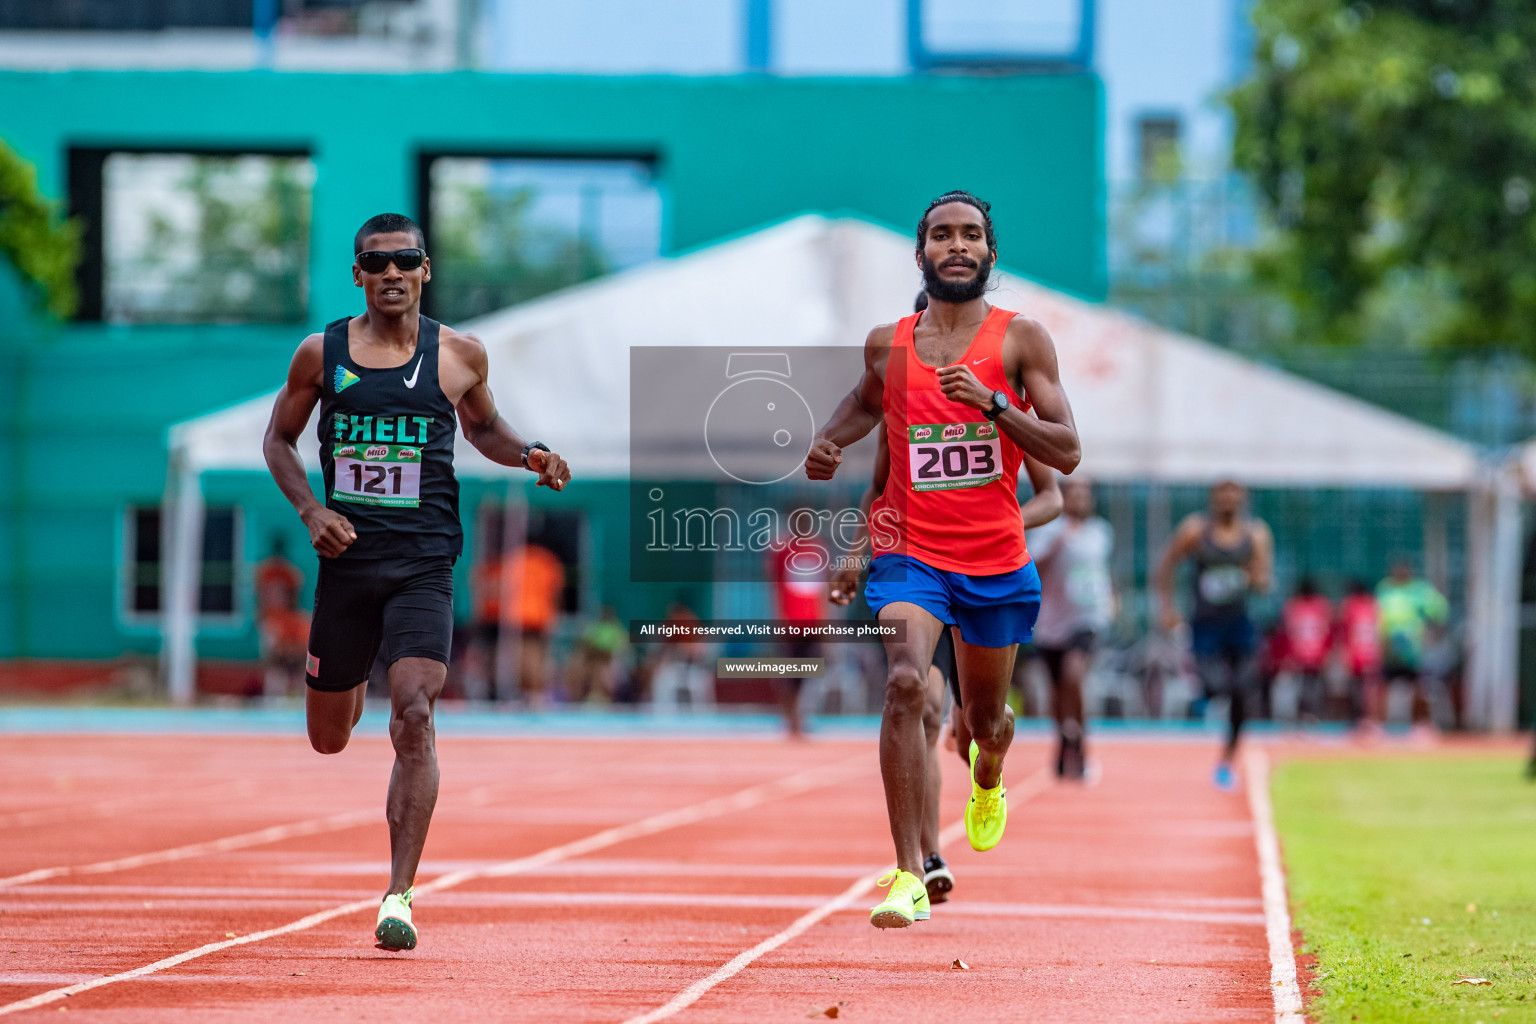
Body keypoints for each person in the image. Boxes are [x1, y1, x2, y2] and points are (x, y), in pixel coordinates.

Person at [262, 212, 571, 952]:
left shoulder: (459, 354)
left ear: (426, 269)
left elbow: (483, 431)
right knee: (329, 739)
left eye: (406, 260)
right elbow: (278, 440)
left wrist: (528, 453)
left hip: (425, 566)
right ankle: (356, 675)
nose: (392, 273)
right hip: (346, 566)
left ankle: (398, 894)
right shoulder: (321, 353)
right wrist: (310, 510)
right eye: (377, 262)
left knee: (415, 714)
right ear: (359, 275)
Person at [808, 190, 1080, 928]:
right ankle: (908, 874)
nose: (955, 246)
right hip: (912, 554)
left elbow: (1068, 451)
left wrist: (996, 406)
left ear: (990, 253)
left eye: (969, 236)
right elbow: (863, 406)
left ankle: (988, 766)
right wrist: (828, 441)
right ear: (921, 253)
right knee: (905, 683)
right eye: (940, 235)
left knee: (979, 722)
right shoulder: (887, 343)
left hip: (993, 560)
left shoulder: (1021, 341)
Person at [830, 399, 1062, 906]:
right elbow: (877, 491)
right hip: (920, 574)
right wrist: (854, 554)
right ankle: (921, 862)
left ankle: (989, 771)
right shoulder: (902, 403)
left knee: (979, 728)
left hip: (986, 573)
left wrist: (1000, 526)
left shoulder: (1004, 397)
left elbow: (1053, 496)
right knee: (916, 697)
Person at [1156, 480, 1273, 792]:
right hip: (1205, 625)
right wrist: (1167, 608)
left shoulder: (1255, 534)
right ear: (1212, 498)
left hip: (1240, 625)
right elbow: (1166, 565)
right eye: (1221, 493)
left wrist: (1252, 577)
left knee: (1243, 691)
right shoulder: (1196, 530)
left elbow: (1264, 582)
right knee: (1216, 687)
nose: (1227, 500)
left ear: (1243, 499)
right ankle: (1202, 691)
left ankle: (1226, 760)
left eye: (1233, 493)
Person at [1028, 477, 1113, 779]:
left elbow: (1100, 572)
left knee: (1073, 674)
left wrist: (1110, 602)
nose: (1080, 500)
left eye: (1084, 495)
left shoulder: (1101, 532)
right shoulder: (1047, 530)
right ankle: (1063, 739)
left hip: (1088, 619)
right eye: (1074, 494)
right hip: (1052, 622)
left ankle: (1080, 741)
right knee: (1055, 689)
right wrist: (1056, 544)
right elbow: (1032, 570)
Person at [474, 540, 565, 703]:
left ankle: (526, 694)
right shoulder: (547, 561)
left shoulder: (513, 560)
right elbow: (556, 593)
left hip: (518, 616)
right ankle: (532, 694)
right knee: (532, 657)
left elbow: (496, 588)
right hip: (536, 617)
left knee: (522, 657)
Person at [767, 505, 830, 737]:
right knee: (789, 671)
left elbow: (823, 588)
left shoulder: (818, 548)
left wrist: (824, 620)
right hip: (791, 621)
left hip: (812, 621)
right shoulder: (781, 549)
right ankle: (789, 717)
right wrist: (779, 617)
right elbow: (774, 585)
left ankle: (800, 715)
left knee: (809, 670)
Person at [1375, 559, 1449, 727]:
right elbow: (1378, 618)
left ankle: (1420, 725)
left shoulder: (1420, 590)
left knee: (1419, 685)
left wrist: (1429, 634)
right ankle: (1381, 726)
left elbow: (1440, 611)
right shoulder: (1385, 589)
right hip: (1390, 648)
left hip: (1413, 650)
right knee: (1382, 685)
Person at [256, 536, 310, 698]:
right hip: (271, 620)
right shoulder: (265, 571)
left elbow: (296, 599)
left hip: (288, 619)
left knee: (306, 640)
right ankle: (274, 693)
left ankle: (302, 693)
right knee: (271, 641)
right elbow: (260, 599)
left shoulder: (292, 574)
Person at [1279, 578, 1333, 722]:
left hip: (1311, 654)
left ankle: (1311, 715)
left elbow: (1326, 631)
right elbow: (1289, 632)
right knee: (1302, 687)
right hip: (1305, 654)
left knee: (1312, 687)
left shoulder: (1310, 606)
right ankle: (1302, 716)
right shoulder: (1301, 606)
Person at [1338, 579, 1381, 727]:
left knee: (1356, 689)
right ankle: (1367, 720)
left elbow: (1346, 632)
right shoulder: (1373, 605)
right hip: (1370, 653)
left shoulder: (1350, 606)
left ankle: (1358, 719)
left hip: (1357, 654)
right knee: (1368, 690)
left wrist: (1345, 653)